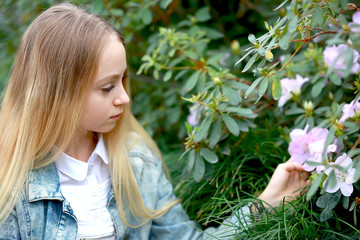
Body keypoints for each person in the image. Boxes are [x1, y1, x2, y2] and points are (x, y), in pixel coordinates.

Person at [0, 3, 310, 239]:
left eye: (123, 80)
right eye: (107, 87)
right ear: (59, 92)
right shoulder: (11, 187)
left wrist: (266, 202)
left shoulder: (135, 162)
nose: (124, 97)